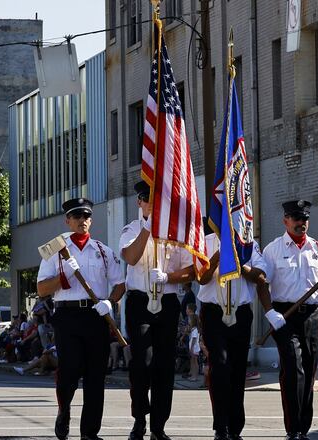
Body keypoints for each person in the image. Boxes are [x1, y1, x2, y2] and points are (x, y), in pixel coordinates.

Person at [37, 197, 125, 440]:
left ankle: (90, 432)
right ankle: (63, 411)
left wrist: (110, 302)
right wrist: (64, 277)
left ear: (91, 220)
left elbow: (119, 283)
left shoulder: (102, 251)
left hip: (96, 315)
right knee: (69, 371)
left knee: (96, 376)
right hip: (67, 315)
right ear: (67, 220)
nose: (81, 221)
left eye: (86, 216)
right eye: (76, 217)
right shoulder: (55, 249)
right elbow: (42, 288)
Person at [119, 181, 195, 440]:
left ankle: (158, 426)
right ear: (139, 202)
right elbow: (130, 257)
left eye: (155, 199)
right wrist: (148, 227)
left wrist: (169, 277)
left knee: (164, 366)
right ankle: (139, 419)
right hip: (140, 302)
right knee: (142, 362)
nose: (151, 203)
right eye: (146, 198)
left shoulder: (175, 233)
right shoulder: (131, 229)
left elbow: (191, 270)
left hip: (168, 301)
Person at [256, 200, 318, 440]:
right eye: (296, 218)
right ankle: (292, 429)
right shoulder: (274, 249)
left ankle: (303, 427)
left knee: (309, 371)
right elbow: (262, 283)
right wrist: (270, 312)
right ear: (285, 221)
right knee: (293, 369)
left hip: (312, 315)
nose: (302, 223)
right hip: (284, 315)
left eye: (305, 218)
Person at [196, 223, 265, 439]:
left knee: (236, 370)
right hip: (214, 313)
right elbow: (201, 277)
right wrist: (219, 255)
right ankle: (221, 427)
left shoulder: (249, 245)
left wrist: (240, 261)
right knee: (220, 366)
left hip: (241, 313)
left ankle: (235, 427)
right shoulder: (205, 242)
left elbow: (261, 277)